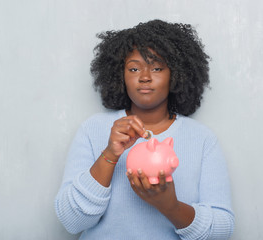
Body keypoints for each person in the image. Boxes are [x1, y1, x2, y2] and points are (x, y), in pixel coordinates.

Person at [55, 19, 234, 239]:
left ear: (176, 75)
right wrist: (110, 155)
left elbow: (222, 231)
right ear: (121, 75)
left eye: (157, 67)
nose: (145, 77)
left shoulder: (203, 139)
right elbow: (71, 221)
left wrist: (170, 207)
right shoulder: (93, 130)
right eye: (134, 68)